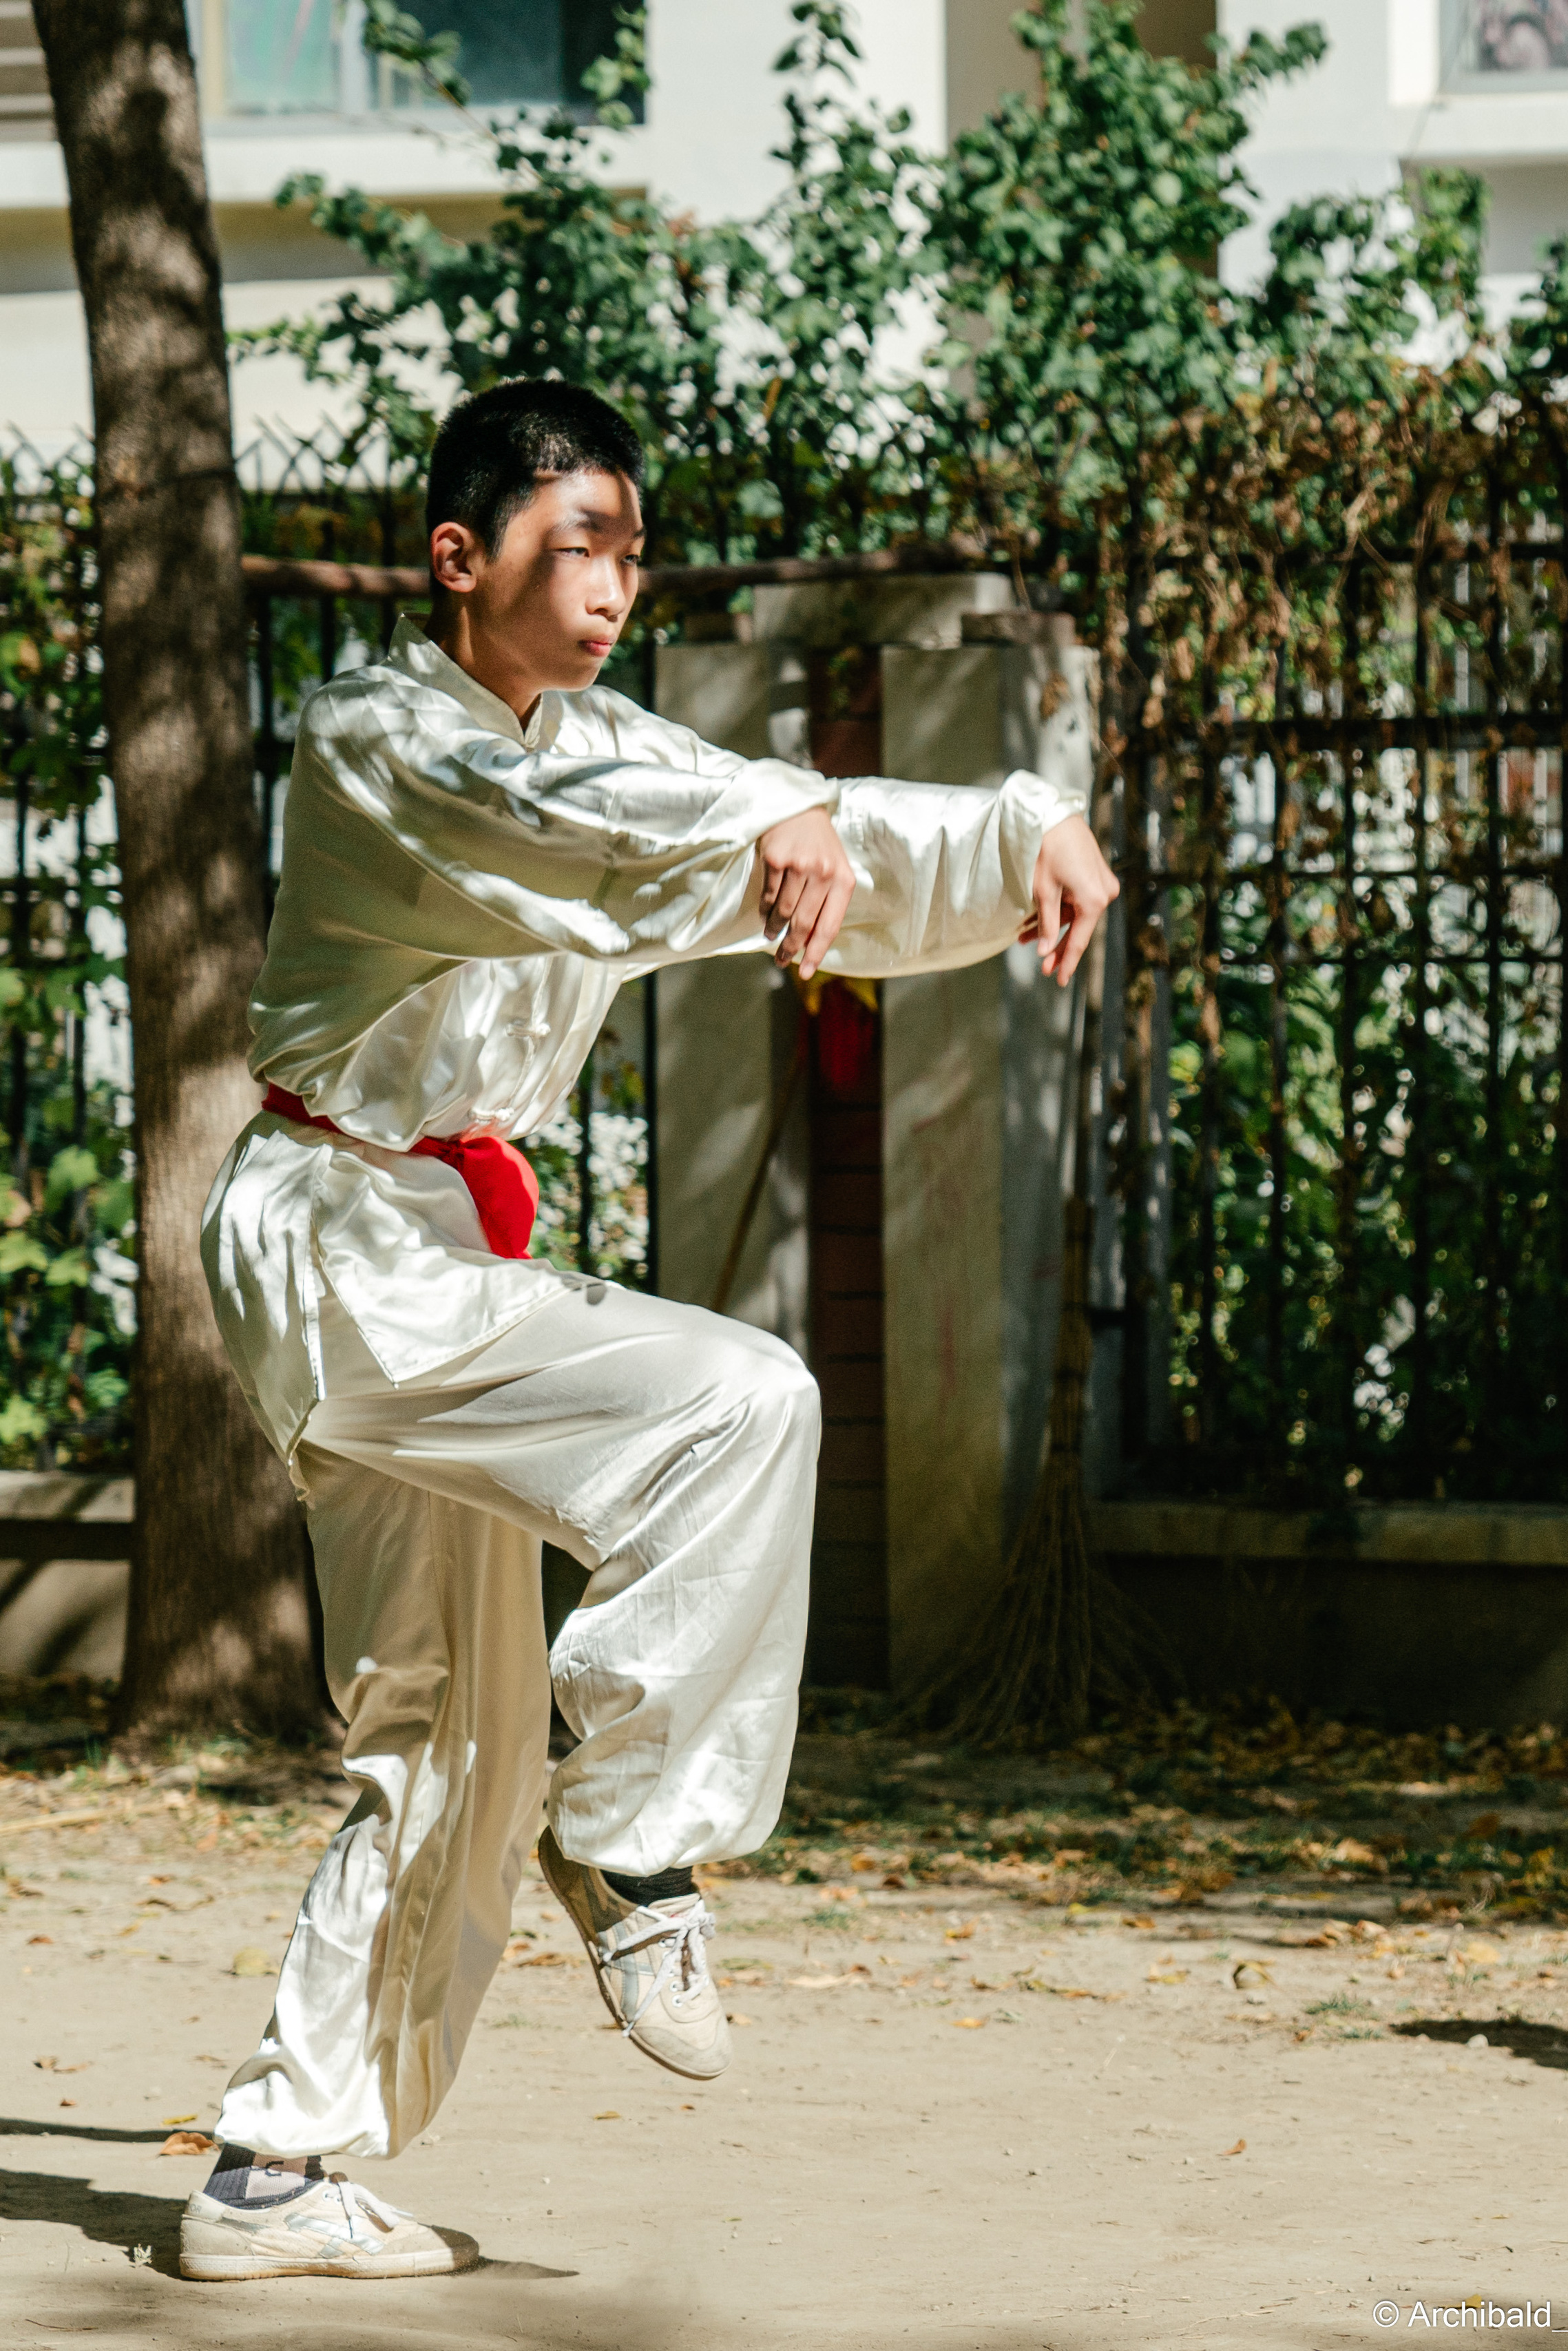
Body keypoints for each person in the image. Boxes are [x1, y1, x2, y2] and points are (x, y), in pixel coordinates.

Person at [180, 377, 1117, 2282]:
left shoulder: (597, 738)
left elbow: (756, 845)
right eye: (575, 541)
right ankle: (633, 1834)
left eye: (632, 547)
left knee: (445, 1735)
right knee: (743, 1401)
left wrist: (1026, 830)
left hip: (429, 1249)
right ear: (462, 557)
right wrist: (777, 805)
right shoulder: (387, 741)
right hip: (351, 1246)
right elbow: (616, 837)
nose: (613, 582)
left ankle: (275, 2166)